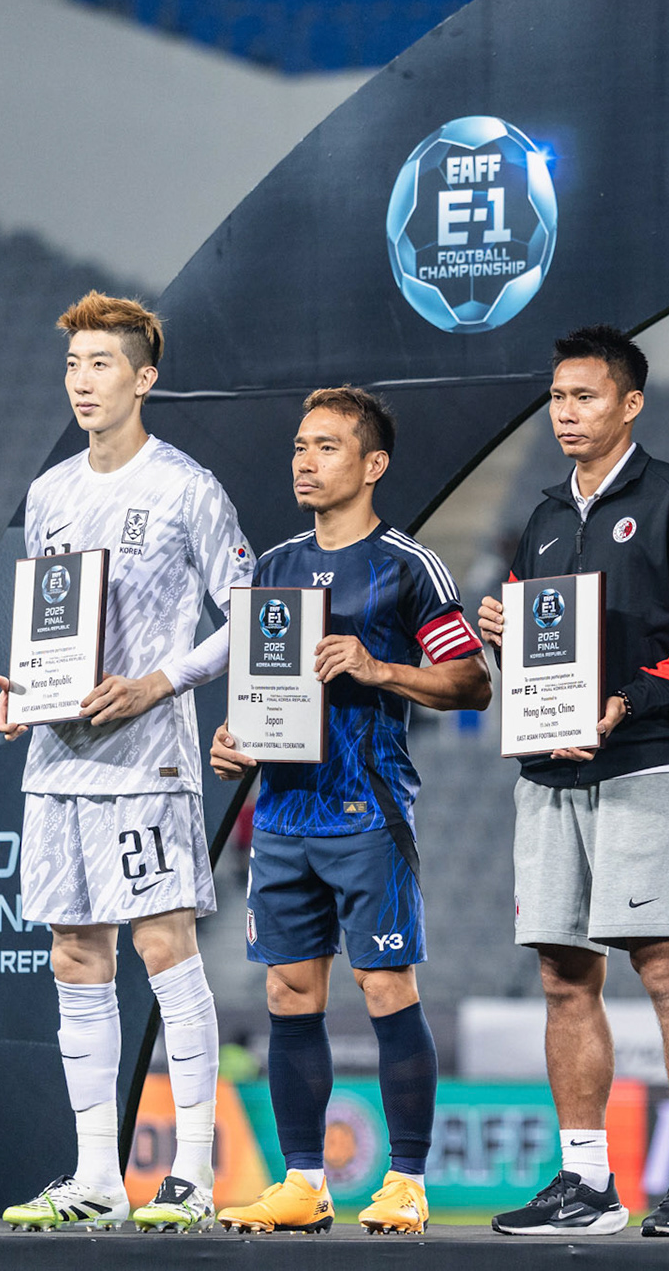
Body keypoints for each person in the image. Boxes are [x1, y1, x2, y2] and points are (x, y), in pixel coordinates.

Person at [476, 325, 669, 1238]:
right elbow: (543, 643)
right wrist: (505, 630)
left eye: (585, 396)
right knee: (563, 977)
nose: (566, 412)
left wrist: (630, 702)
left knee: (666, 970)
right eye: (557, 397)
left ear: (630, 403)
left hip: (642, 766)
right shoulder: (546, 516)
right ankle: (586, 1183)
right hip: (549, 772)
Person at [0, 292, 254, 1233]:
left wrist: (160, 681)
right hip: (59, 761)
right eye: (72, 366)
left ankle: (190, 1173)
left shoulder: (185, 487)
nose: (82, 381)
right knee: (75, 952)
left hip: (147, 758)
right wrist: (23, 687)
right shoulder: (50, 493)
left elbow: (252, 615)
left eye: (101, 364)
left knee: (161, 948)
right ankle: (96, 1175)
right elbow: (50, 629)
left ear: (145, 378)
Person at [208, 387, 490, 1235]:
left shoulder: (407, 566)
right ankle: (303, 1182)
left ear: (373, 466)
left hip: (368, 811)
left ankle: (405, 1181)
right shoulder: (273, 567)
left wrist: (379, 669)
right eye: (300, 445)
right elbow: (263, 693)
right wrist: (237, 741)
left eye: (326, 446)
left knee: (383, 985)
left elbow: (473, 681)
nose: (304, 459)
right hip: (285, 815)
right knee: (291, 992)